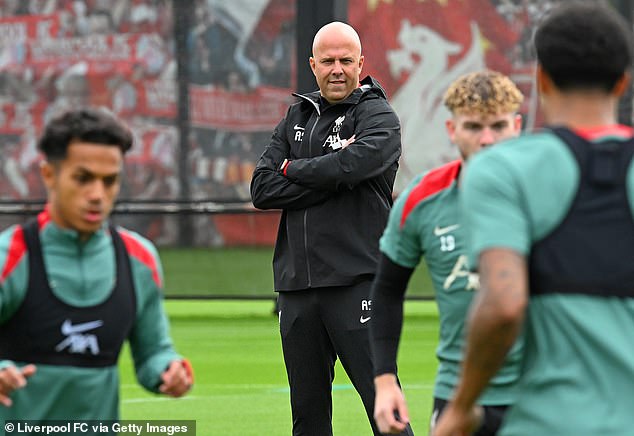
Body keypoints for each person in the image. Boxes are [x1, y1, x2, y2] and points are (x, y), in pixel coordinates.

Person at [434, 3, 634, 435]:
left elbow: (504, 304)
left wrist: (461, 406)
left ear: (540, 79)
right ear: (623, 81)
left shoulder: (501, 170)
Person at [250, 21, 413, 436]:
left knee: (385, 410)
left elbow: (355, 164)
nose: (337, 68)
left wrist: (296, 170)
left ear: (361, 63)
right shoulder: (296, 115)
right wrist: (332, 182)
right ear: (313, 65)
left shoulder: (378, 114)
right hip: (297, 287)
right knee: (307, 416)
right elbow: (263, 187)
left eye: (345, 60)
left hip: (357, 282)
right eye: (328, 61)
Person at [0, 108, 193, 419]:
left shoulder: (138, 259)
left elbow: (154, 352)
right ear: (49, 175)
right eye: (83, 178)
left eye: (110, 181)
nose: (97, 195)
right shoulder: (10, 255)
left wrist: (169, 370)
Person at [370, 70, 524, 435]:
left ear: (517, 126)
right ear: (452, 129)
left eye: (499, 126)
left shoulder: (555, 194)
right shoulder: (422, 200)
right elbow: (387, 290)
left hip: (542, 394)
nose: (487, 140)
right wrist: (384, 380)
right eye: (473, 127)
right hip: (456, 395)